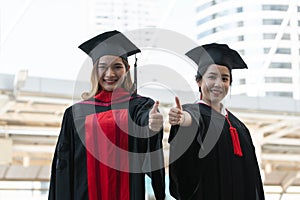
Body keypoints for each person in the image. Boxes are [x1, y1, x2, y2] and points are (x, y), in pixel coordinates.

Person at [48, 30, 165, 200]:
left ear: (127, 69)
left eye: (117, 66)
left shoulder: (139, 106)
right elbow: (63, 166)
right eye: (103, 67)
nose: (110, 74)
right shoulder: (75, 113)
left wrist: (152, 124)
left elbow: (144, 123)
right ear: (95, 70)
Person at [168, 43, 265, 200]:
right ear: (199, 81)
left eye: (225, 78)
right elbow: (191, 121)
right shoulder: (192, 112)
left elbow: (253, 179)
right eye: (211, 77)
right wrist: (182, 120)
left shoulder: (240, 127)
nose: (218, 84)